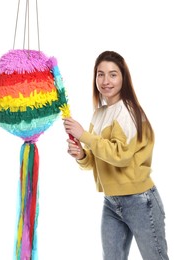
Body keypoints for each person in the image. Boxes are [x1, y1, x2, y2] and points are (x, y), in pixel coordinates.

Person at [63, 50, 169, 260]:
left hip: (140, 200)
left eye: (113, 74)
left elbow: (121, 156)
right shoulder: (99, 114)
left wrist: (83, 135)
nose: (105, 80)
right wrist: (82, 155)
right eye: (100, 74)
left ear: (123, 78)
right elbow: (96, 159)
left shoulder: (129, 111)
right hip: (111, 201)